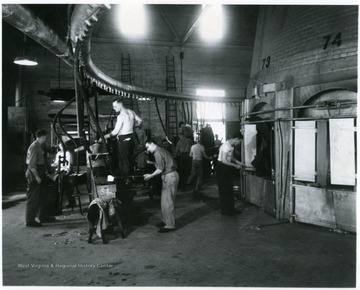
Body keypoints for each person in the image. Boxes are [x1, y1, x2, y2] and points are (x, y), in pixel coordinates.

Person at [144, 139, 179, 233]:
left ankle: (170, 225)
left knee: (167, 202)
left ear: (152, 144)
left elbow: (160, 169)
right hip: (170, 175)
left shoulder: (157, 153)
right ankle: (166, 221)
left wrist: (150, 176)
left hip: (169, 177)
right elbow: (163, 164)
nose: (147, 150)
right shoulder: (162, 150)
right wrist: (152, 163)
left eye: (147, 147)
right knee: (164, 202)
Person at [104, 98, 142, 178]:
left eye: (115, 106)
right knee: (130, 159)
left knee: (124, 162)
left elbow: (115, 132)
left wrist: (104, 136)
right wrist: (135, 127)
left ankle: (126, 180)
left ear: (120, 105)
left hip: (123, 141)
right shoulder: (131, 112)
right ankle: (132, 178)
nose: (114, 108)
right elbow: (140, 120)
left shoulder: (121, 116)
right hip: (131, 139)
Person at [25, 129, 54, 227]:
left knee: (42, 196)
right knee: (33, 198)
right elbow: (32, 165)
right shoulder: (35, 147)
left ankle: (43, 216)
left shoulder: (40, 146)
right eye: (45, 137)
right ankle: (29, 220)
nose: (46, 139)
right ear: (41, 137)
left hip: (40, 172)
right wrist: (37, 177)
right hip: (34, 174)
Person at [216, 132, 244, 216]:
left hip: (226, 167)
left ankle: (231, 209)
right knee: (224, 190)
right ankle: (225, 211)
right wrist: (236, 166)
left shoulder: (231, 146)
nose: (239, 143)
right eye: (239, 141)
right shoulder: (225, 146)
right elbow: (224, 160)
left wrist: (241, 163)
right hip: (221, 168)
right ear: (236, 139)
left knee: (229, 189)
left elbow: (231, 158)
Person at [50, 142, 76, 208]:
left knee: (68, 185)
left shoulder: (68, 153)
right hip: (59, 171)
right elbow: (56, 163)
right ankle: (57, 202)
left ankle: (71, 201)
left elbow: (70, 164)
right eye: (60, 146)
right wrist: (53, 164)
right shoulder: (58, 153)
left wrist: (68, 171)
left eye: (63, 146)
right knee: (56, 183)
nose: (62, 147)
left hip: (67, 171)